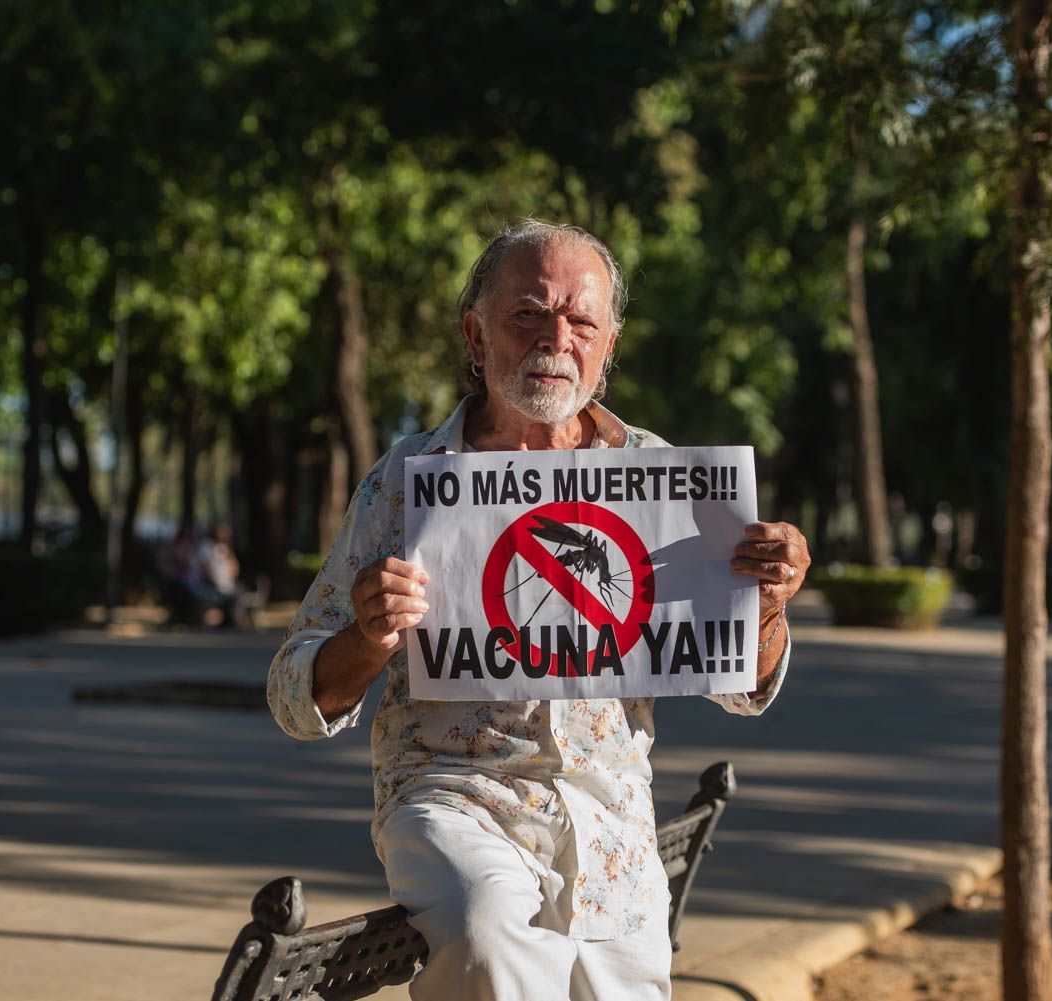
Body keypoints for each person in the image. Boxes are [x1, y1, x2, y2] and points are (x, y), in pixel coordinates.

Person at [266, 220, 810, 1001]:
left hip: (609, 820)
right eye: (528, 313)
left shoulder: (664, 481)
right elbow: (293, 694)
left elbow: (743, 686)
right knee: (487, 939)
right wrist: (368, 635)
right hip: (454, 798)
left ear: (608, 343)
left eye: (581, 319)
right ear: (475, 334)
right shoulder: (407, 482)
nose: (557, 337)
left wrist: (767, 605)